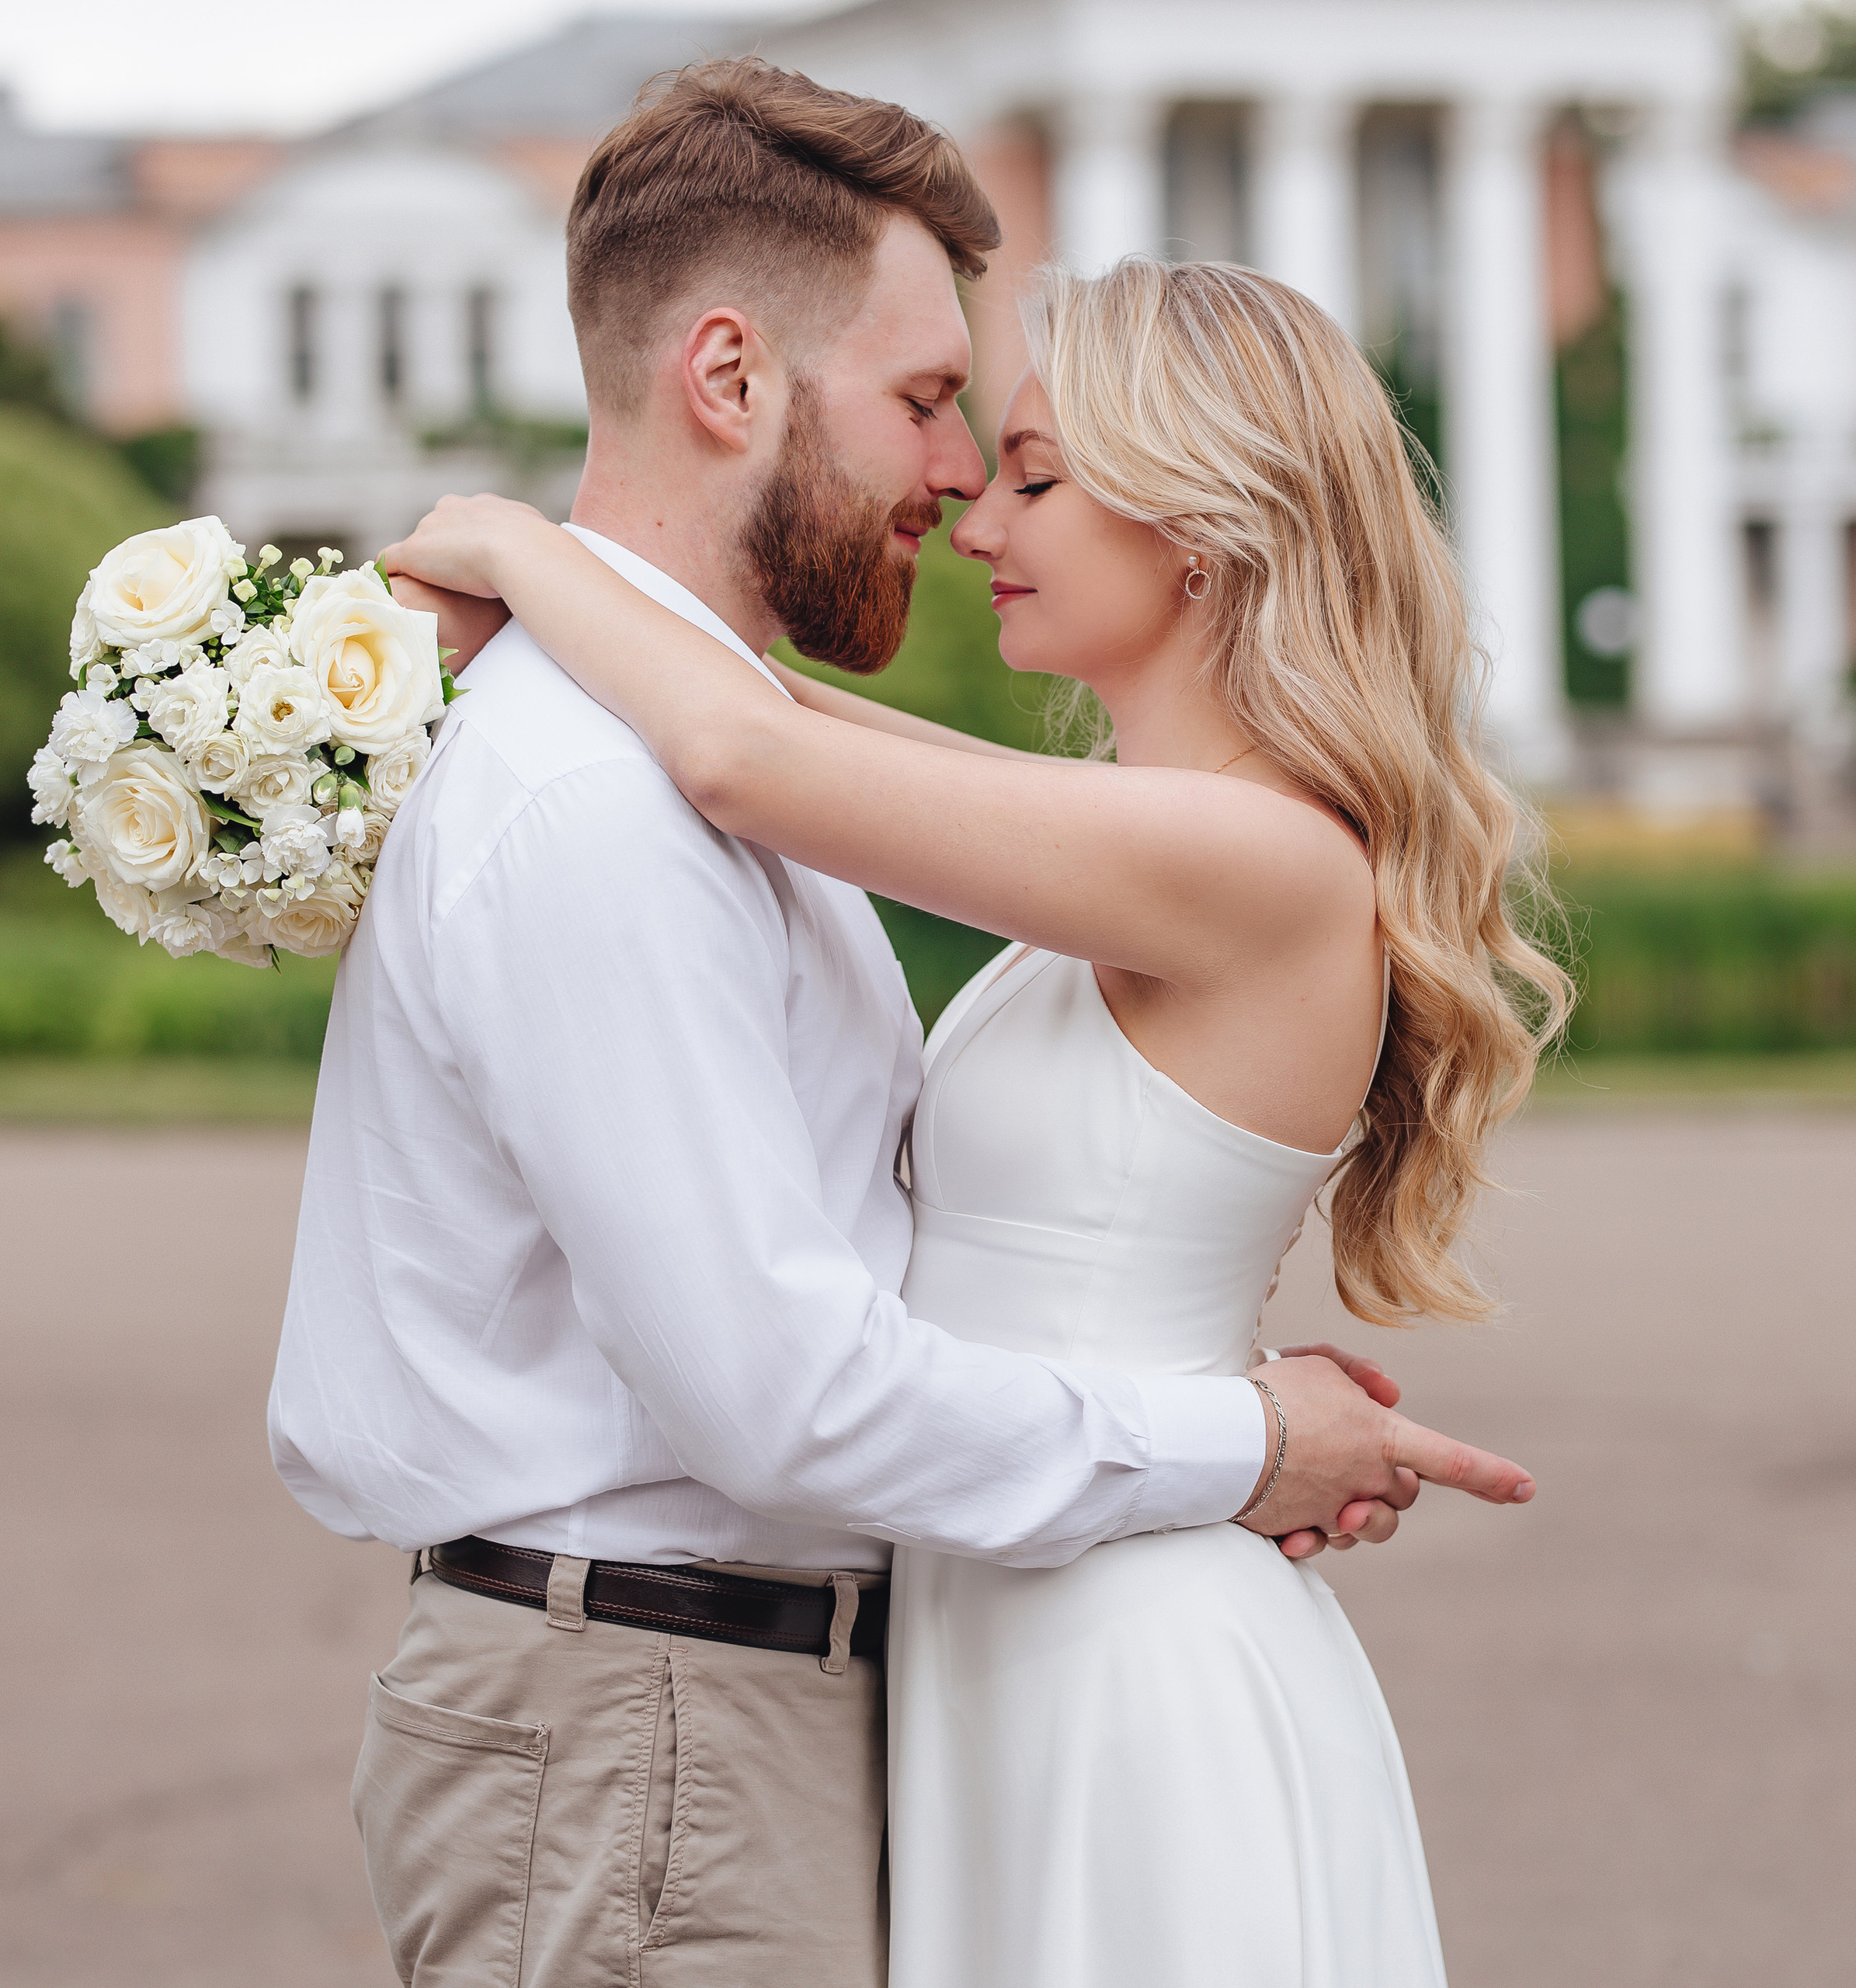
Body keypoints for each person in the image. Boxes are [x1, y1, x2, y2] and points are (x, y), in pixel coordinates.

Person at [276, 55, 1535, 1988]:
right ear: (729, 374)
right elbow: (766, 731)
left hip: (1100, 1657)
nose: (965, 499)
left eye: (1021, 460)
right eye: (949, 417)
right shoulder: (1095, 839)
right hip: (942, 1637)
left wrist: (529, 558)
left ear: (1196, 525)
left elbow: (740, 741)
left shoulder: (1250, 859)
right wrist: (1214, 1422)